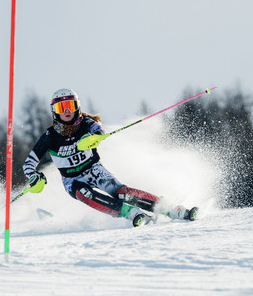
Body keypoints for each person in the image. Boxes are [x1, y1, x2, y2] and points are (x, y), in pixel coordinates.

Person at [23, 88, 197, 227]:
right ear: (55, 112)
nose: (67, 111)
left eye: (70, 105)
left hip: (94, 170)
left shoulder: (85, 123)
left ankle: (171, 209)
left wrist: (92, 138)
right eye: (62, 108)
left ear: (77, 107)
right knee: (84, 194)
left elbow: (99, 130)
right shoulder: (50, 136)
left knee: (121, 193)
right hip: (72, 180)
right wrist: (34, 176)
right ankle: (130, 213)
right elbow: (29, 163)